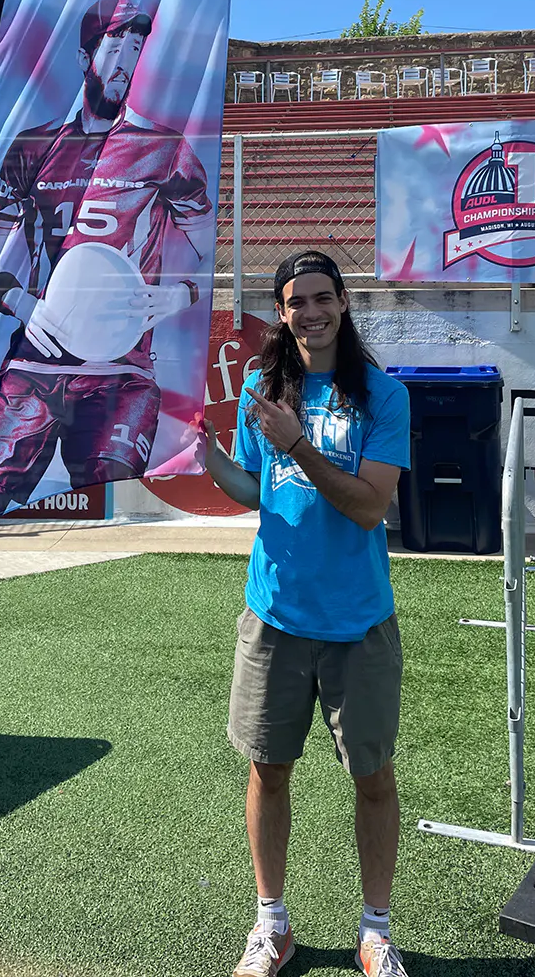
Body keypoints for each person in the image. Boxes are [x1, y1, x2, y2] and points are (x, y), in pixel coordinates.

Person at [204, 250, 411, 977]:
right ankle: (271, 925)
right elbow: (253, 490)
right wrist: (201, 453)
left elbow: (367, 508)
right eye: (297, 302)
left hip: (358, 620)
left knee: (373, 778)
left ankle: (376, 929)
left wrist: (296, 442)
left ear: (344, 303)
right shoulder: (260, 389)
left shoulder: (383, 396)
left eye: (323, 298)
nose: (311, 312)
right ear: (282, 311)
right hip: (275, 616)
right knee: (268, 771)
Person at [0, 0, 211, 531]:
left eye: (139, 46)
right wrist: (23, 304)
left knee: (121, 510)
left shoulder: (164, 148)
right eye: (116, 42)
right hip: (34, 367)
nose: (127, 59)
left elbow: (209, 254)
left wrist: (179, 294)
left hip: (121, 370)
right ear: (84, 55)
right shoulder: (33, 146)